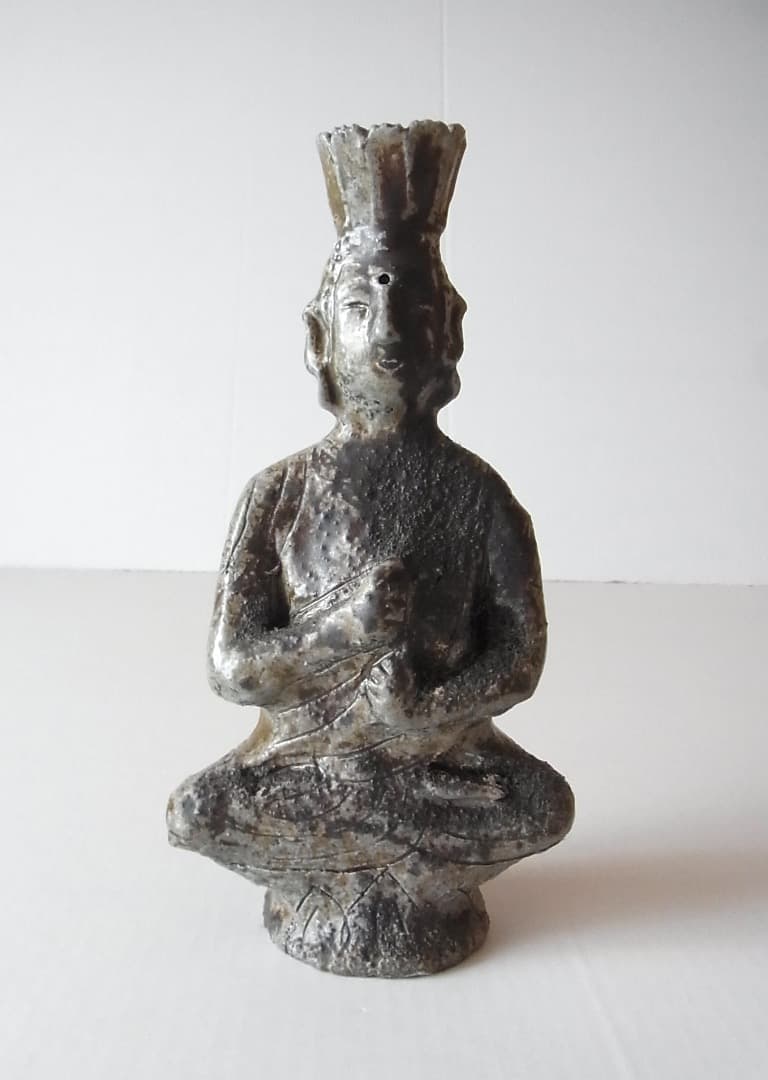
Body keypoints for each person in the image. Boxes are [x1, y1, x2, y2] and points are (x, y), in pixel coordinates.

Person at [167, 122, 574, 976]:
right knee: (200, 810)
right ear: (319, 337)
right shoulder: (279, 493)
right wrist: (338, 634)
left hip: (441, 761)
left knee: (543, 804)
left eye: (412, 311)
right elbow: (233, 667)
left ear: (449, 332)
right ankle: (401, 864)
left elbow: (519, 657)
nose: (386, 331)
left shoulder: (479, 495)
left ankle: (355, 863)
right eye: (359, 309)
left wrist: (429, 708)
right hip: (313, 763)